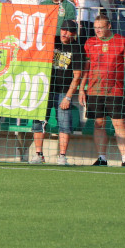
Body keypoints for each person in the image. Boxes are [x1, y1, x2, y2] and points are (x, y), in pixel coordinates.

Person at [80, 14, 125, 167]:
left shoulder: (122, 41)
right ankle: (102, 158)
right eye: (95, 27)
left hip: (116, 90)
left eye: (100, 27)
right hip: (94, 89)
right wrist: (82, 88)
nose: (97, 30)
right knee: (98, 123)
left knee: (119, 124)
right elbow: (86, 68)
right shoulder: (90, 42)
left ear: (109, 27)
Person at [30, 19, 85, 165]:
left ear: (74, 34)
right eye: (63, 30)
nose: (65, 33)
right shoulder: (51, 41)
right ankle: (38, 154)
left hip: (63, 91)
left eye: (69, 31)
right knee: (39, 121)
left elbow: (77, 75)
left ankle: (62, 156)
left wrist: (68, 97)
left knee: (64, 123)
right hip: (45, 89)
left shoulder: (77, 48)